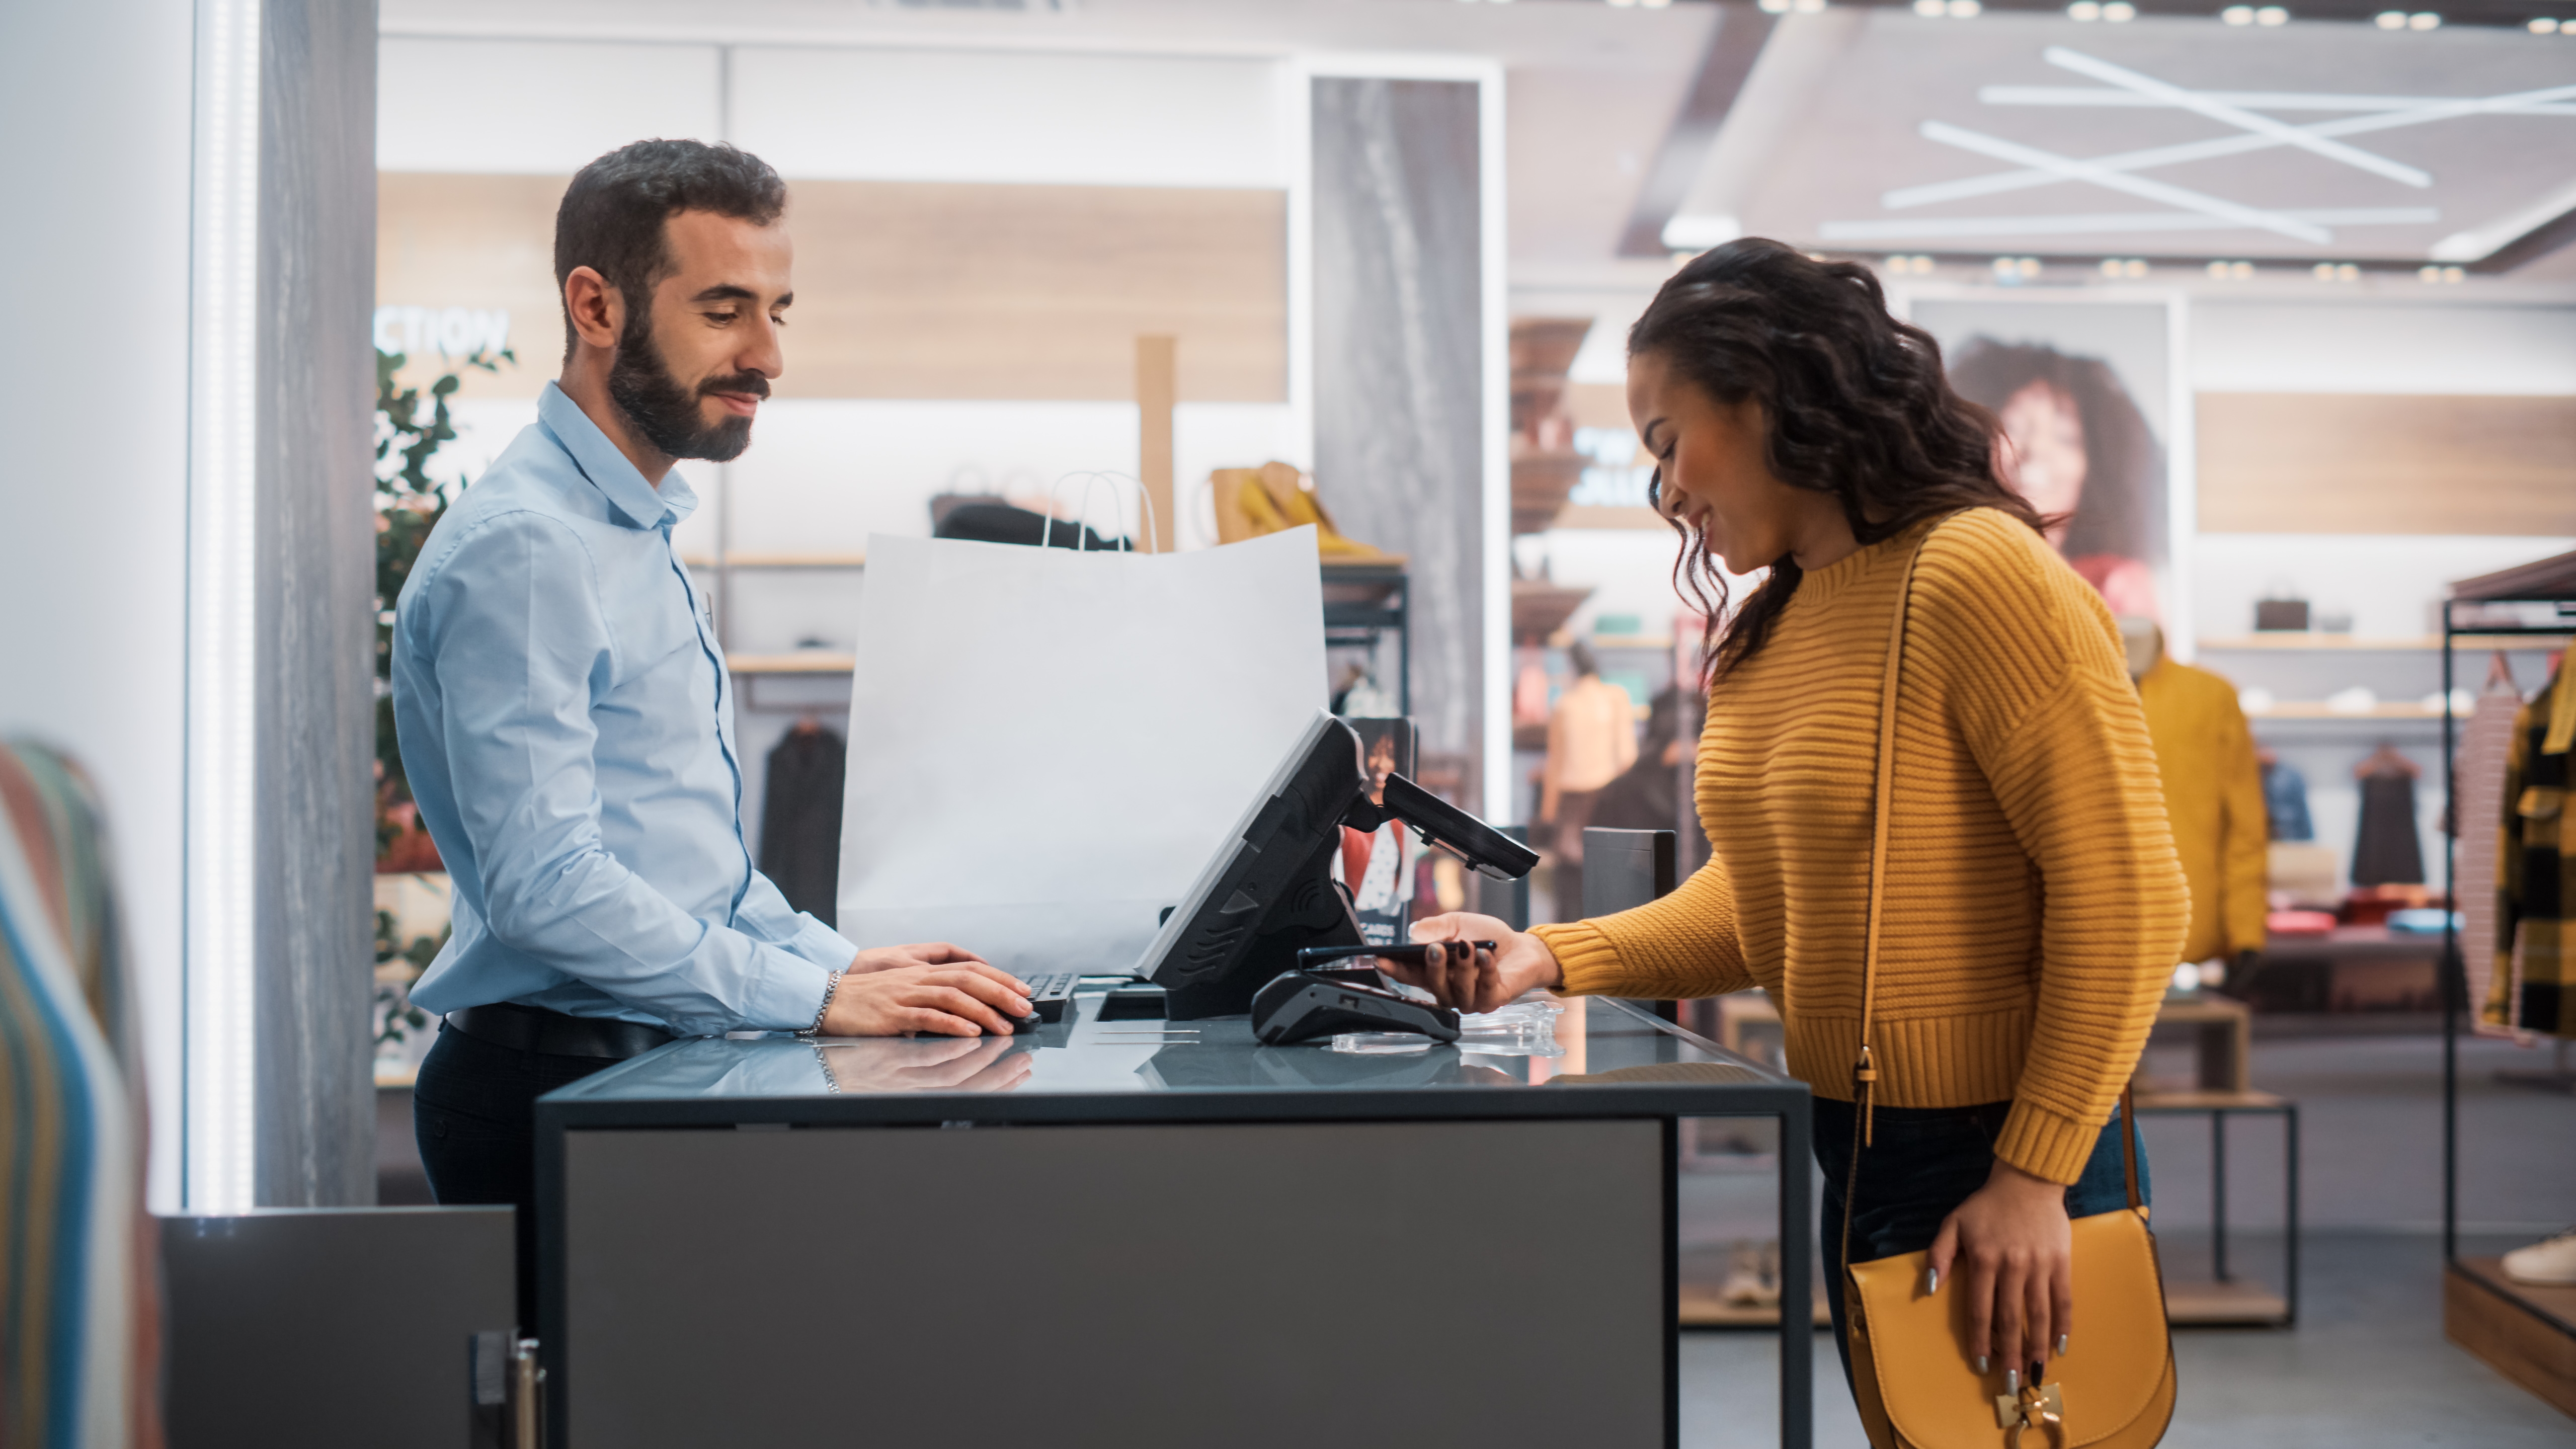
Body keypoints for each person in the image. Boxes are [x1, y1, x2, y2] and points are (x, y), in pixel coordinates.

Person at [1387, 238, 2186, 1399]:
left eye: (1667, 441)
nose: (1662, 488)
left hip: (2004, 1148)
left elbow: (2128, 897)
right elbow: (1766, 902)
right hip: (1856, 1139)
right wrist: (1546, 955)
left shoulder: (1979, 573)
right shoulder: (1773, 627)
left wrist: (2032, 1172)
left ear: (1770, 396)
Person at [392, 140, 1034, 1329]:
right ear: (597, 305)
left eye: (778, 310)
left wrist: (835, 962)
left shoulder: (627, 528)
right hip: (554, 1083)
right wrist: (806, 995)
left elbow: (682, 862)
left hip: (634, 1065)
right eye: (725, 309)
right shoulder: (530, 548)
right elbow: (548, 888)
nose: (768, 356)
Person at [1947, 339, 2165, 622]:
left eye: (2065, 437)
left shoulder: (2117, 586)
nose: (2037, 449)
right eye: (2014, 426)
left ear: (2092, 468)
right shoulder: (1942, 572)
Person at [1540, 640, 1639, 920]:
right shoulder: (1616, 697)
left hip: (1573, 803)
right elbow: (1628, 757)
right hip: (1607, 799)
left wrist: (1548, 815)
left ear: (1572, 666)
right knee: (1608, 884)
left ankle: (1566, 950)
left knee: (1570, 893)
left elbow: (1555, 765)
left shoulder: (1565, 704)